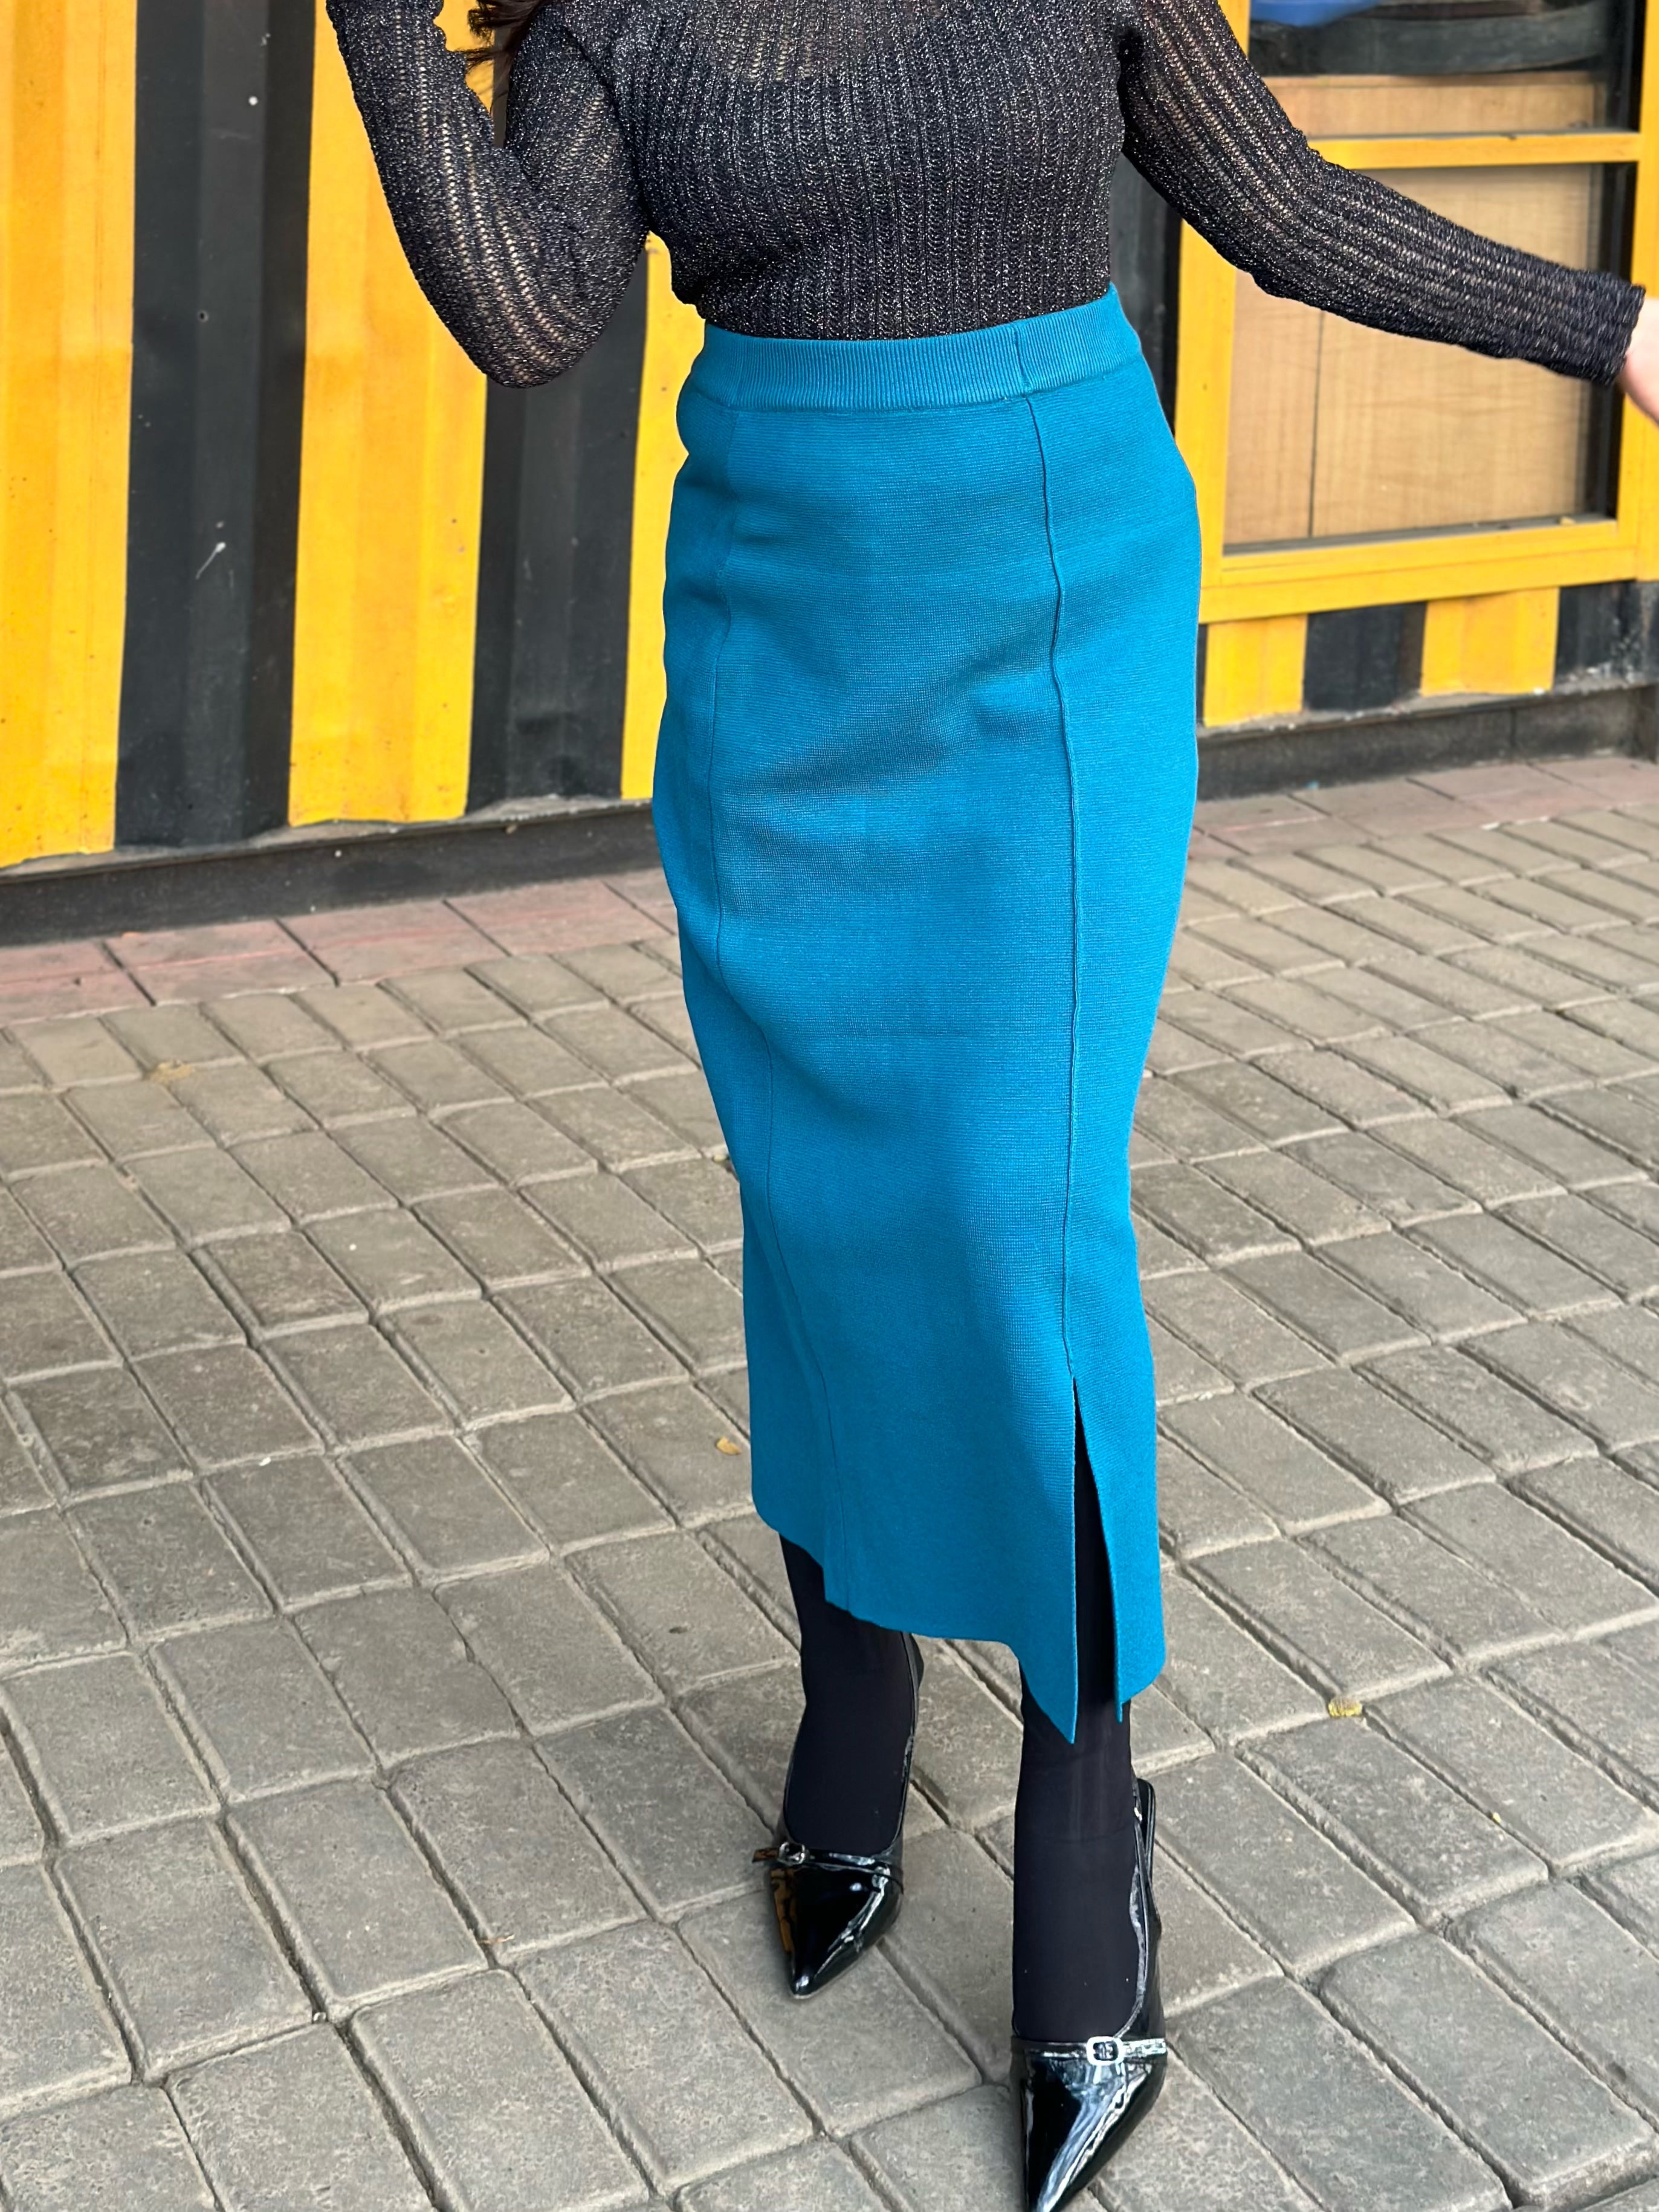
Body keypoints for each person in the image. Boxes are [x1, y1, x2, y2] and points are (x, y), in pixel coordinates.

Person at [326, 0, 1659, 2200]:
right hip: (782, 641)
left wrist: (1615, 328)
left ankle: (1082, 1809)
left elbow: (1282, 207)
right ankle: (850, 1709)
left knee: (1003, 1210)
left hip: (1045, 614)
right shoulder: (618, 23)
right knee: (819, 1201)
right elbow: (534, 315)